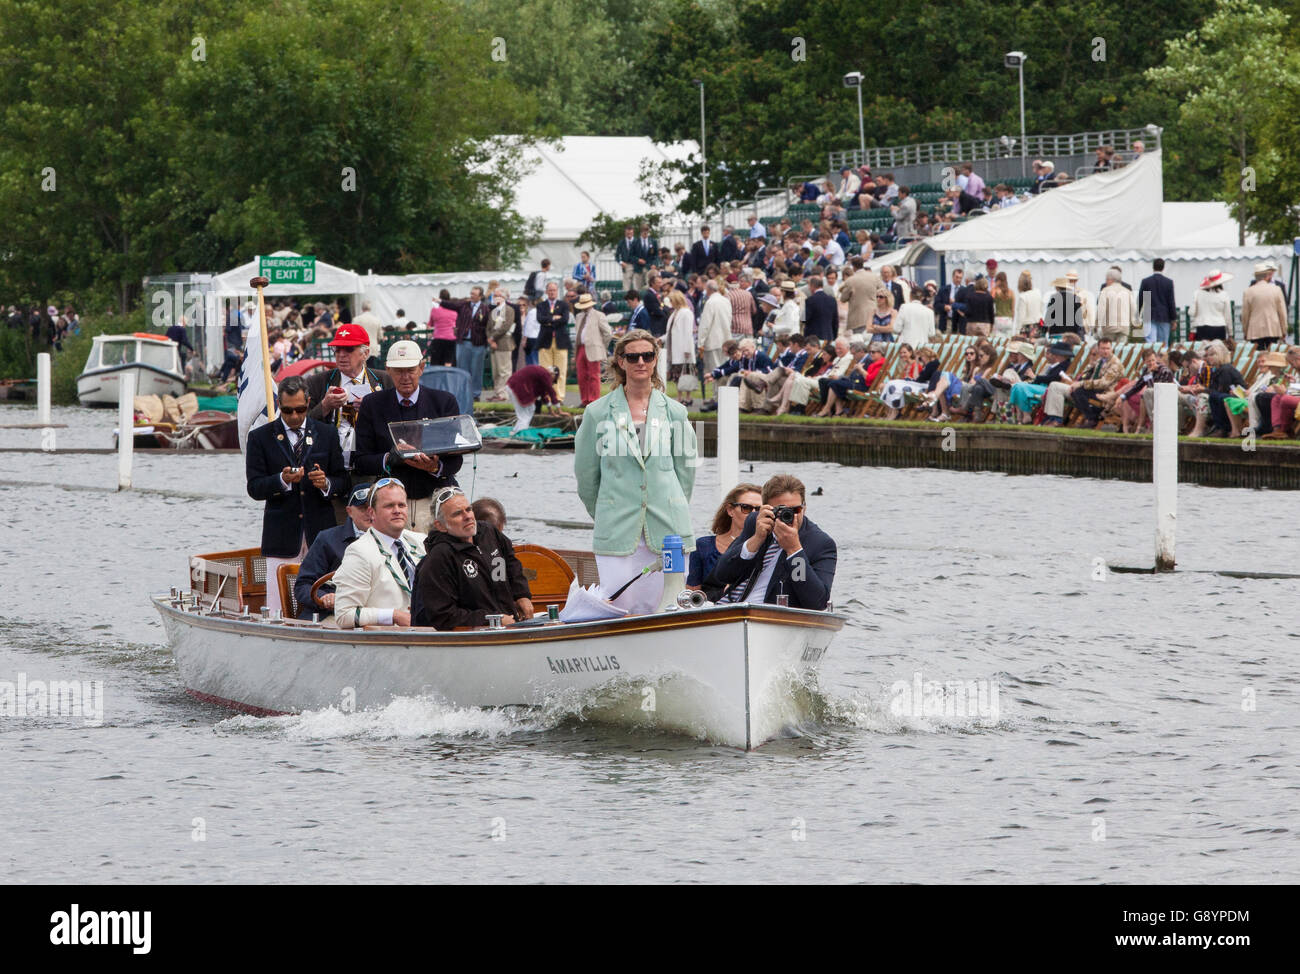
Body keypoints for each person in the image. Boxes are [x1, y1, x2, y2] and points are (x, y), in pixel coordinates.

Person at [573, 329, 696, 615]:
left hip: (668, 527)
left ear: (655, 360)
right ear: (620, 361)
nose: (641, 361)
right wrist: (608, 509)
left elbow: (685, 474)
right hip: (616, 529)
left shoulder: (676, 412)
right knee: (620, 610)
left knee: (668, 609)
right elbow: (587, 478)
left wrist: (670, 504)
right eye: (633, 356)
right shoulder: (596, 412)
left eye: (648, 355)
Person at [244, 376, 348, 614]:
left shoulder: (327, 433)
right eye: (287, 410)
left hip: (320, 532)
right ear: (279, 404)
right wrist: (281, 480)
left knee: (326, 598)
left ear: (309, 403)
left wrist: (326, 484)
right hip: (281, 535)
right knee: (278, 605)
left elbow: (343, 480)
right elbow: (255, 487)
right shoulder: (259, 437)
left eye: (300, 410)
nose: (294, 416)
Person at [352, 340, 463, 535]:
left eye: (410, 370)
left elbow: (456, 459)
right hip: (391, 504)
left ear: (421, 368)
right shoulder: (372, 404)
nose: (405, 377)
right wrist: (390, 458)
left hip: (433, 498)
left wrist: (435, 467)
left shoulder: (444, 402)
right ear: (388, 370)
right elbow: (360, 460)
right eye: (398, 371)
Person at [303, 323, 393, 521]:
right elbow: (299, 426)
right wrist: (324, 407)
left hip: (372, 471)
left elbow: (399, 425)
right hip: (333, 473)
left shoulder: (384, 381)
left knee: (375, 527)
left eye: (349, 349)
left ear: (365, 353)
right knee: (338, 532)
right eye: (337, 349)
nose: (341, 355)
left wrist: (373, 410)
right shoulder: (317, 382)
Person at [707, 474, 836, 609]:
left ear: (804, 507)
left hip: (774, 616)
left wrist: (794, 551)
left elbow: (817, 602)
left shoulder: (820, 543)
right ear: (766, 508)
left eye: (796, 510)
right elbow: (722, 575)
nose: (790, 516)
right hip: (734, 607)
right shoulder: (755, 521)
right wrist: (756, 540)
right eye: (781, 510)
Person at [411, 487, 533, 630]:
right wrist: (492, 619)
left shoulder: (489, 533)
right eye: (457, 514)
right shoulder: (438, 559)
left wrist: (522, 595)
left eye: (468, 510)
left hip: (511, 627)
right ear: (441, 526)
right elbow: (443, 616)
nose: (467, 516)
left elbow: (511, 563)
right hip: (475, 638)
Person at [332, 478, 426, 628]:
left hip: (430, 632)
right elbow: (344, 615)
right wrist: (393, 615)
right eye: (389, 506)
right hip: (388, 640)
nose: (397, 511)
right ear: (372, 512)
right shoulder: (359, 552)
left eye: (401, 505)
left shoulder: (422, 542)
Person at [293, 482, 374, 619]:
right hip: (331, 614)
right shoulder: (327, 539)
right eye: (362, 508)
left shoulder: (393, 540)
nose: (369, 514)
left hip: (376, 613)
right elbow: (302, 585)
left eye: (372, 509)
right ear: (349, 511)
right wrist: (323, 597)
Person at [572, 292, 613, 407]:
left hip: (593, 349)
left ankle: (594, 400)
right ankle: (585, 400)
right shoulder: (579, 316)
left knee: (593, 376)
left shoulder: (599, 315)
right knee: (581, 376)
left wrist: (601, 346)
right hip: (581, 347)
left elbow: (608, 333)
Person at [536, 281, 572, 401]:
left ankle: (559, 397)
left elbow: (565, 319)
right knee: (545, 371)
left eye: (554, 290)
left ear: (557, 291)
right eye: (550, 290)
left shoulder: (564, 305)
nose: (552, 292)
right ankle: (546, 396)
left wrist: (549, 321)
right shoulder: (541, 305)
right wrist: (554, 318)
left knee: (560, 370)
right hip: (545, 341)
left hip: (560, 341)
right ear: (546, 292)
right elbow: (540, 319)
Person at [1241, 262, 1288, 350]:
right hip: (1273, 328)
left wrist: (1245, 330)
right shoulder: (1276, 289)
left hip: (1255, 330)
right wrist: (1284, 329)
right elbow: (1282, 312)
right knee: (1272, 355)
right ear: (1267, 276)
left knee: (1258, 355)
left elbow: (1245, 315)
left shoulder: (1248, 291)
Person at [504, 364, 564, 432]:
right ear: (553, 374)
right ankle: (521, 435)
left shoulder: (541, 373)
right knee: (525, 415)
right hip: (517, 388)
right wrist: (560, 410)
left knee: (527, 411)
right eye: (554, 380)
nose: (552, 382)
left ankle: (516, 431)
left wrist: (551, 411)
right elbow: (551, 391)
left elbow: (544, 395)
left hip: (511, 385)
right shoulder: (545, 374)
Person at [486, 287, 516, 400]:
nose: (495, 298)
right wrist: (490, 338)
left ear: (504, 297)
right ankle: (497, 392)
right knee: (496, 371)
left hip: (504, 343)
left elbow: (506, 326)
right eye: (494, 296)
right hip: (494, 345)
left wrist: (493, 337)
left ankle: (503, 393)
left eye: (498, 295)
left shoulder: (509, 310)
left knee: (504, 371)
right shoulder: (493, 311)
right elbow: (488, 327)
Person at [1137, 259, 1176, 344]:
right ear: (1163, 267)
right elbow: (1171, 301)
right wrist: (1173, 319)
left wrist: (1138, 314)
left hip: (1148, 313)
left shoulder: (1146, 282)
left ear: (1153, 267)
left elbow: (1141, 299)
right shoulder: (1168, 282)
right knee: (1163, 343)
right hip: (1164, 315)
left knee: (1151, 342)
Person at [1095, 268, 1136, 344]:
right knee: (1121, 351)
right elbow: (1133, 309)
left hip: (1109, 328)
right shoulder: (1127, 292)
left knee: (1107, 349)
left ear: (1111, 280)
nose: (1106, 282)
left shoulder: (1105, 291)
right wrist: (1130, 322)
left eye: (1106, 279)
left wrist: (1097, 325)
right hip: (1124, 327)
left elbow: (1101, 310)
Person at [1191, 270, 1232, 341]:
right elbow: (1227, 315)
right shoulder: (1224, 294)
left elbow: (1191, 312)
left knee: (1203, 350)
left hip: (1202, 326)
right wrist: (1230, 333)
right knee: (1218, 350)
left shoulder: (1197, 293)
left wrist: (1192, 329)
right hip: (1219, 326)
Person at [426, 290, 459, 367]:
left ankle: (437, 378)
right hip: (451, 338)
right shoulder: (454, 311)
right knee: (449, 361)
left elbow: (430, 324)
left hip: (438, 338)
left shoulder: (434, 310)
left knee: (435, 362)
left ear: (440, 298)